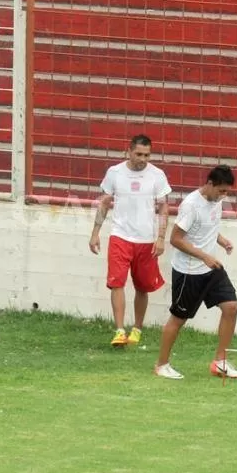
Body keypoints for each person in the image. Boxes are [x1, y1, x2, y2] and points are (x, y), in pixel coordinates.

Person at [154, 165, 237, 380]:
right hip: (189, 272)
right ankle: (161, 364)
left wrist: (221, 241)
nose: (224, 195)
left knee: (232, 307)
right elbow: (176, 239)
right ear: (209, 184)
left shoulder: (216, 201)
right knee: (178, 319)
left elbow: (207, 227)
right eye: (221, 190)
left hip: (211, 268)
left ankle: (219, 362)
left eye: (227, 191)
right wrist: (204, 256)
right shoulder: (191, 205)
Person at [89, 134, 171, 347]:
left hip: (146, 239)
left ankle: (137, 328)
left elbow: (163, 208)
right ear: (129, 151)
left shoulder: (157, 175)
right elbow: (104, 203)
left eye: (147, 155)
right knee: (117, 283)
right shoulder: (115, 173)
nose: (143, 159)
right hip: (120, 236)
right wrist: (95, 232)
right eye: (139, 154)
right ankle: (119, 330)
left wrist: (161, 238)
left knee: (142, 287)